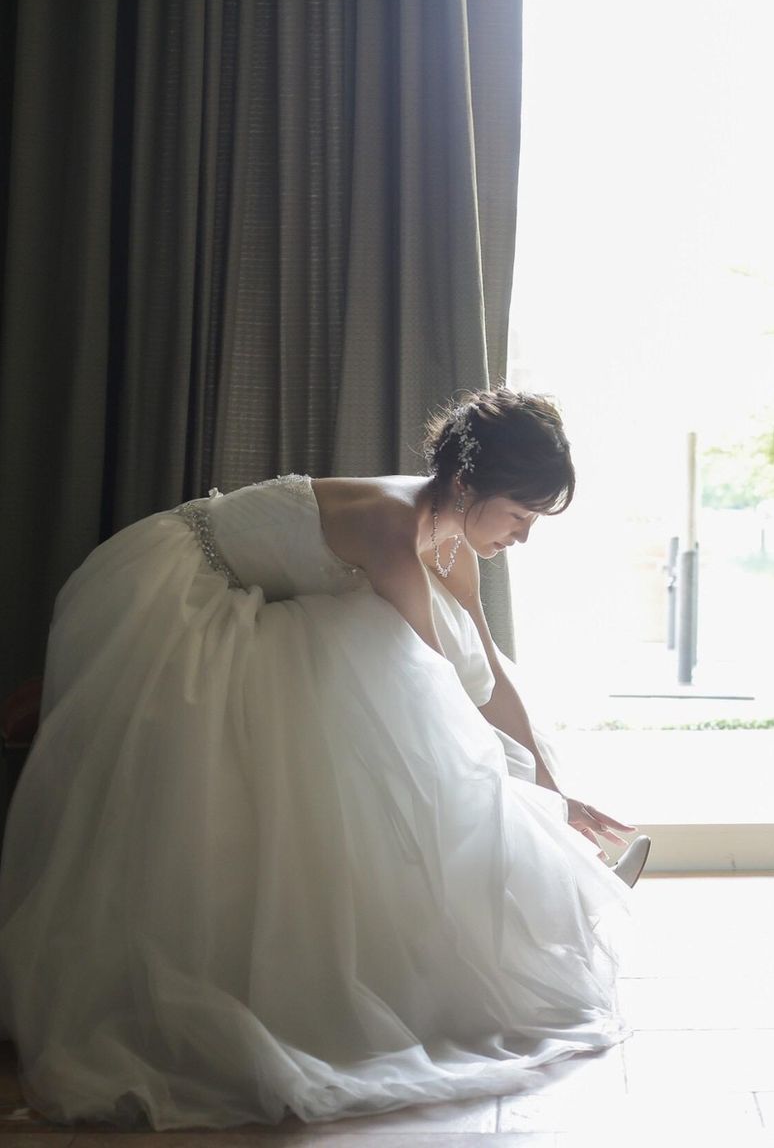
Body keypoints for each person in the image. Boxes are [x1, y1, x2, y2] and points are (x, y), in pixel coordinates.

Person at [0, 387, 650, 1131]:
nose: (524, 537)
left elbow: (492, 681)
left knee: (440, 694)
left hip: (270, 601)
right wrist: (533, 806)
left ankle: (559, 864)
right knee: (413, 730)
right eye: (520, 516)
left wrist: (556, 789)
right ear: (469, 485)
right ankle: (555, 876)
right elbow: (439, 694)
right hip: (183, 585)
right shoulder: (395, 529)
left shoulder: (453, 549)